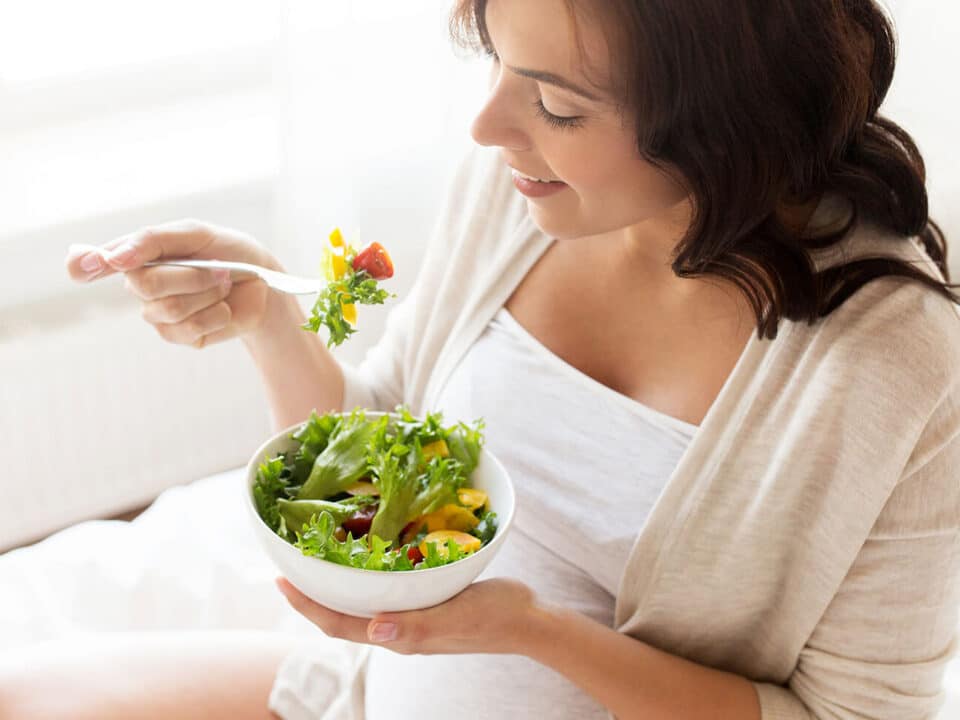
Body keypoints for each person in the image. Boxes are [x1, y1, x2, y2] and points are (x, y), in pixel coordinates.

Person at [12, 0, 960, 718]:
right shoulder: (526, 191)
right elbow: (388, 437)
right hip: (368, 691)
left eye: (555, 103)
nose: (488, 127)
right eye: (499, 64)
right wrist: (268, 317)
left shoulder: (900, 368)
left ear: (725, 123)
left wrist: (531, 632)